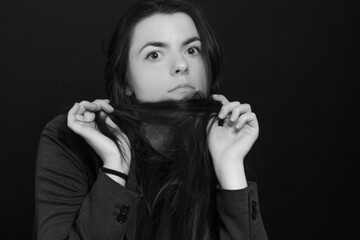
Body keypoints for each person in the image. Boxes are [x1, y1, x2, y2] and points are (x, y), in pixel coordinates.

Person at [34, 0, 268, 239]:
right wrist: (115, 172)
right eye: (154, 54)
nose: (181, 65)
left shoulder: (221, 138)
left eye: (191, 50)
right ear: (126, 81)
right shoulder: (70, 139)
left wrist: (230, 168)